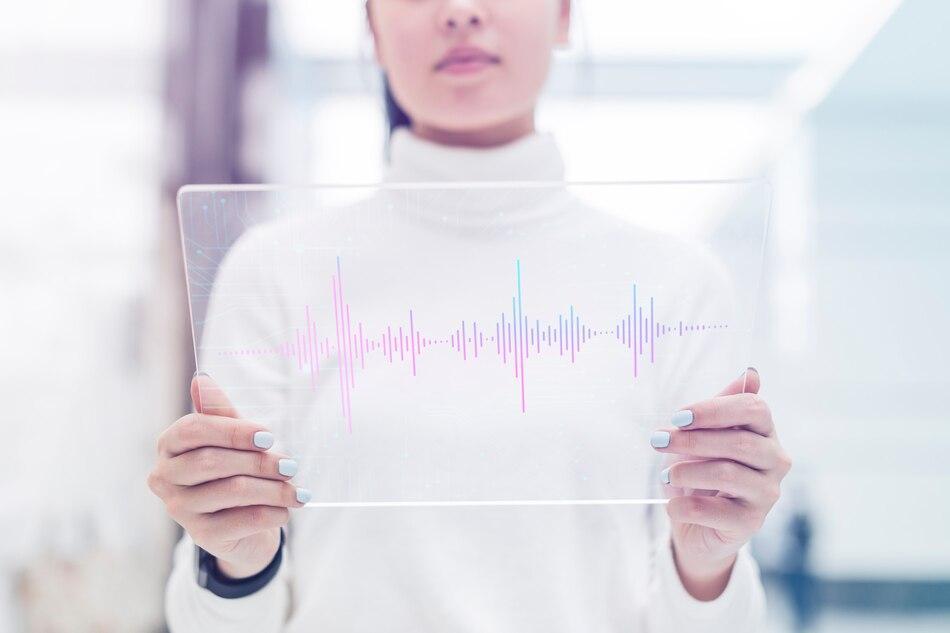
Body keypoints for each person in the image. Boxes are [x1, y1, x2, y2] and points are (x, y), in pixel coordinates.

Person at [147, 1, 791, 631]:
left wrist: (708, 558)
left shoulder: (678, 286)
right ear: (370, 22)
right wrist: (238, 556)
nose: (459, 11)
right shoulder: (272, 273)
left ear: (564, 13)